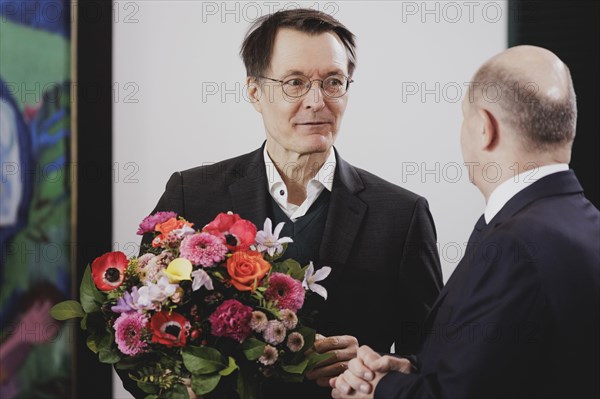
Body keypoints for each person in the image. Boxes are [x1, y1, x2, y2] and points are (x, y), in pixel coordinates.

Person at [117, 8, 443, 399]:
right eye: (295, 83)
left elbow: (431, 363)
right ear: (255, 91)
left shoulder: (401, 215)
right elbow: (133, 342)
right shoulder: (193, 194)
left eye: (334, 82)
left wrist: (377, 371)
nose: (317, 101)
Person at [330, 45, 600, 399]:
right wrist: (411, 368)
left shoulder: (514, 243)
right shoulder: (584, 222)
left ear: (485, 127)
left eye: (464, 118)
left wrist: (380, 390)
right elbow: (502, 371)